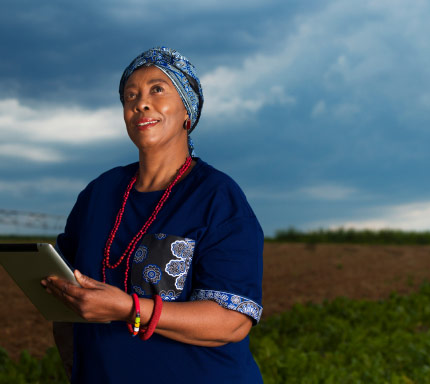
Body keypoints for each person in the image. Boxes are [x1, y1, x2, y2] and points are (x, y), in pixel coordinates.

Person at [42, 47, 264, 383]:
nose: (140, 103)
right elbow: (65, 286)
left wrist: (130, 309)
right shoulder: (98, 194)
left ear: (187, 111)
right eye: (130, 96)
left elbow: (231, 322)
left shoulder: (217, 198)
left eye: (157, 90)